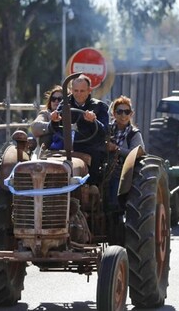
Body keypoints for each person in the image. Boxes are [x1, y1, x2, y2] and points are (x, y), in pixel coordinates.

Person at [49, 75, 109, 185]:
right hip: (66, 147)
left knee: (96, 159)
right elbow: (52, 128)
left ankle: (92, 188)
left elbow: (105, 132)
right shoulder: (64, 104)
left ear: (89, 90)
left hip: (89, 148)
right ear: (71, 90)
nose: (79, 94)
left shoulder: (99, 107)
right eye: (76, 90)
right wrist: (54, 120)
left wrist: (94, 121)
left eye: (82, 91)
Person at [105, 95, 144, 243]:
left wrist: (116, 148)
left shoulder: (134, 134)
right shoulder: (106, 130)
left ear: (131, 114)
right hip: (105, 167)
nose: (123, 115)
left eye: (126, 112)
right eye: (120, 112)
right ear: (114, 113)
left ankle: (116, 212)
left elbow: (137, 153)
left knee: (116, 180)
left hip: (123, 170)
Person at [30, 85, 63, 150]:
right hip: (48, 153)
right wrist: (51, 126)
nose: (56, 101)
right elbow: (34, 126)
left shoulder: (73, 114)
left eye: (60, 99)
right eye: (53, 99)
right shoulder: (46, 113)